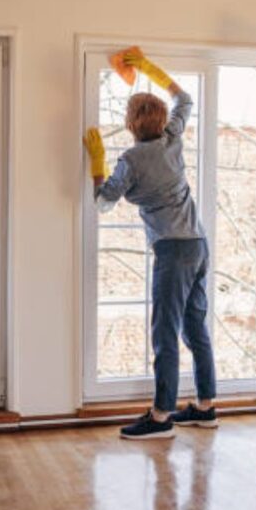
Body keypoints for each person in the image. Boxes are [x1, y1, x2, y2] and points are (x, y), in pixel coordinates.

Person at [83, 49, 218, 440]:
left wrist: (97, 164)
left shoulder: (131, 159)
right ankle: (206, 408)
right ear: (160, 121)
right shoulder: (173, 138)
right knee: (195, 328)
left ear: (130, 124)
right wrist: (152, 71)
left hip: (172, 252)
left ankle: (161, 417)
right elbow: (186, 100)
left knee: (165, 335)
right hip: (198, 244)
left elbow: (103, 202)